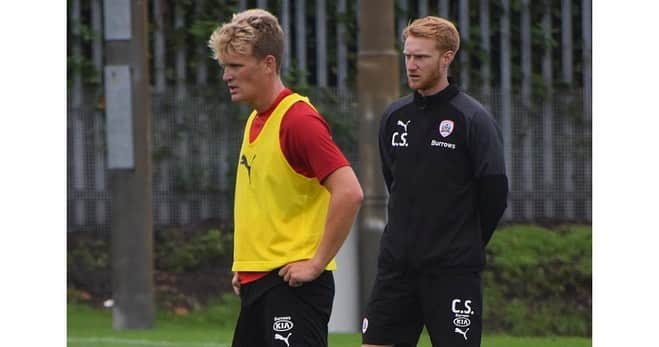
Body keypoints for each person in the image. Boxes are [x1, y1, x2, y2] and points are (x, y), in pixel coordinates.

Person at [207, 9, 363, 347]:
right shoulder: (256, 120)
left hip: (292, 286)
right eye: (224, 66)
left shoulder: (298, 120)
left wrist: (317, 262)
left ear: (268, 64)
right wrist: (247, 263)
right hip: (258, 281)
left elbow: (349, 192)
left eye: (235, 66)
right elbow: (268, 200)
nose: (226, 76)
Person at [362, 16, 508, 347]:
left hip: (452, 271)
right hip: (397, 267)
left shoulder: (472, 119)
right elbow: (394, 181)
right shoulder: (395, 117)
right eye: (408, 56)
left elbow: (495, 193)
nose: (411, 65)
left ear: (447, 58)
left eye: (421, 57)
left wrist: (461, 242)